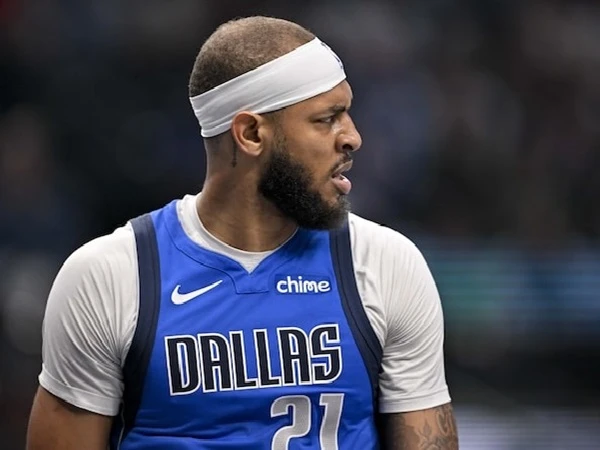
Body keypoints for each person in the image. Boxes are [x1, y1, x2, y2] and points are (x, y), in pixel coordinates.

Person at [26, 16, 458, 450]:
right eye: (327, 119)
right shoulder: (112, 276)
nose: (352, 137)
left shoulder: (384, 264)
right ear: (250, 133)